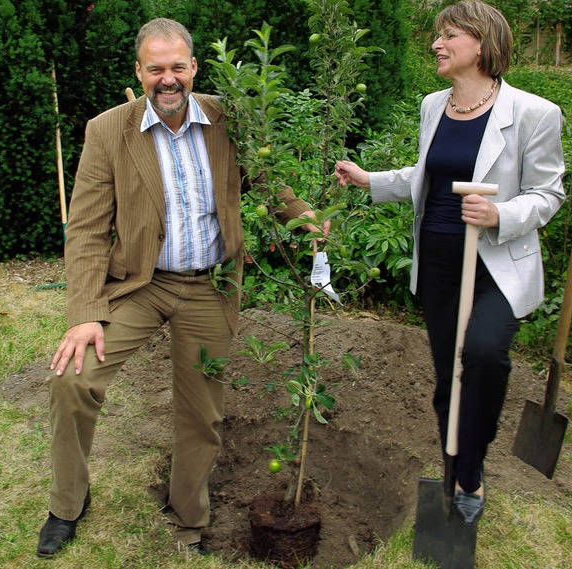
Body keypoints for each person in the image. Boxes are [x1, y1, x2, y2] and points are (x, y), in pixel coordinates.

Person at [36, 17, 321, 558]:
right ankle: (67, 504)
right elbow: (89, 229)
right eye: (155, 69)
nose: (168, 80)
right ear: (139, 72)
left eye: (177, 68)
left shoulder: (226, 116)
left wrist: (308, 219)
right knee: (72, 380)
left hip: (210, 285)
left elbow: (267, 181)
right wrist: (85, 312)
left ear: (193, 67)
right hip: (140, 284)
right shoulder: (108, 131)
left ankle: (188, 514)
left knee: (202, 411)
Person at [335, 0, 565, 526]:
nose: (436, 44)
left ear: (482, 44)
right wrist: (372, 179)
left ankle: (472, 464)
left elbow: (548, 193)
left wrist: (500, 212)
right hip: (440, 258)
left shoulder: (534, 113)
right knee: (448, 377)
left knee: (484, 356)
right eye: (437, 35)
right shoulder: (433, 104)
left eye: (448, 35)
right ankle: (456, 468)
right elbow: (427, 173)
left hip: (495, 264)